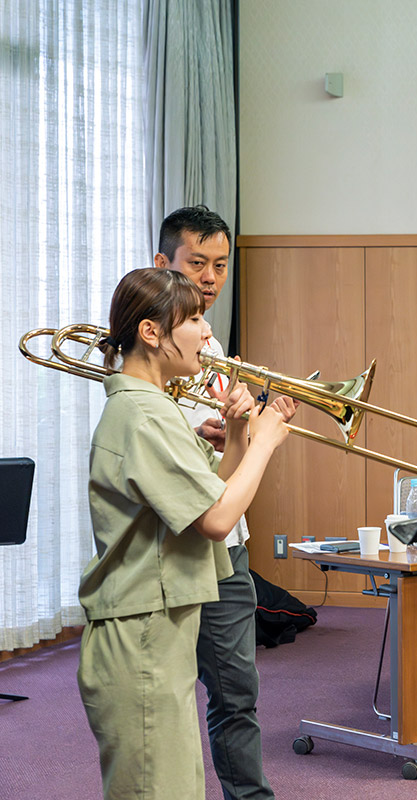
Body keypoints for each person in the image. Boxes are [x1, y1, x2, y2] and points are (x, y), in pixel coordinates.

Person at [78, 268, 289, 798]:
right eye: (194, 319)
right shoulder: (143, 415)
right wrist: (265, 444)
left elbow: (210, 494)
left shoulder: (158, 407)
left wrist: (240, 431)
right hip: (141, 630)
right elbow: (218, 521)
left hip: (160, 625)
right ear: (151, 333)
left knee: (176, 785)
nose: (206, 332)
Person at [155, 205, 294, 800]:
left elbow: (219, 479)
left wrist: (241, 433)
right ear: (164, 264)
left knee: (238, 692)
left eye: (219, 266)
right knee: (162, 703)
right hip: (170, 560)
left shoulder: (214, 350)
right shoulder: (145, 349)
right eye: (196, 264)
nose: (210, 278)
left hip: (228, 553)